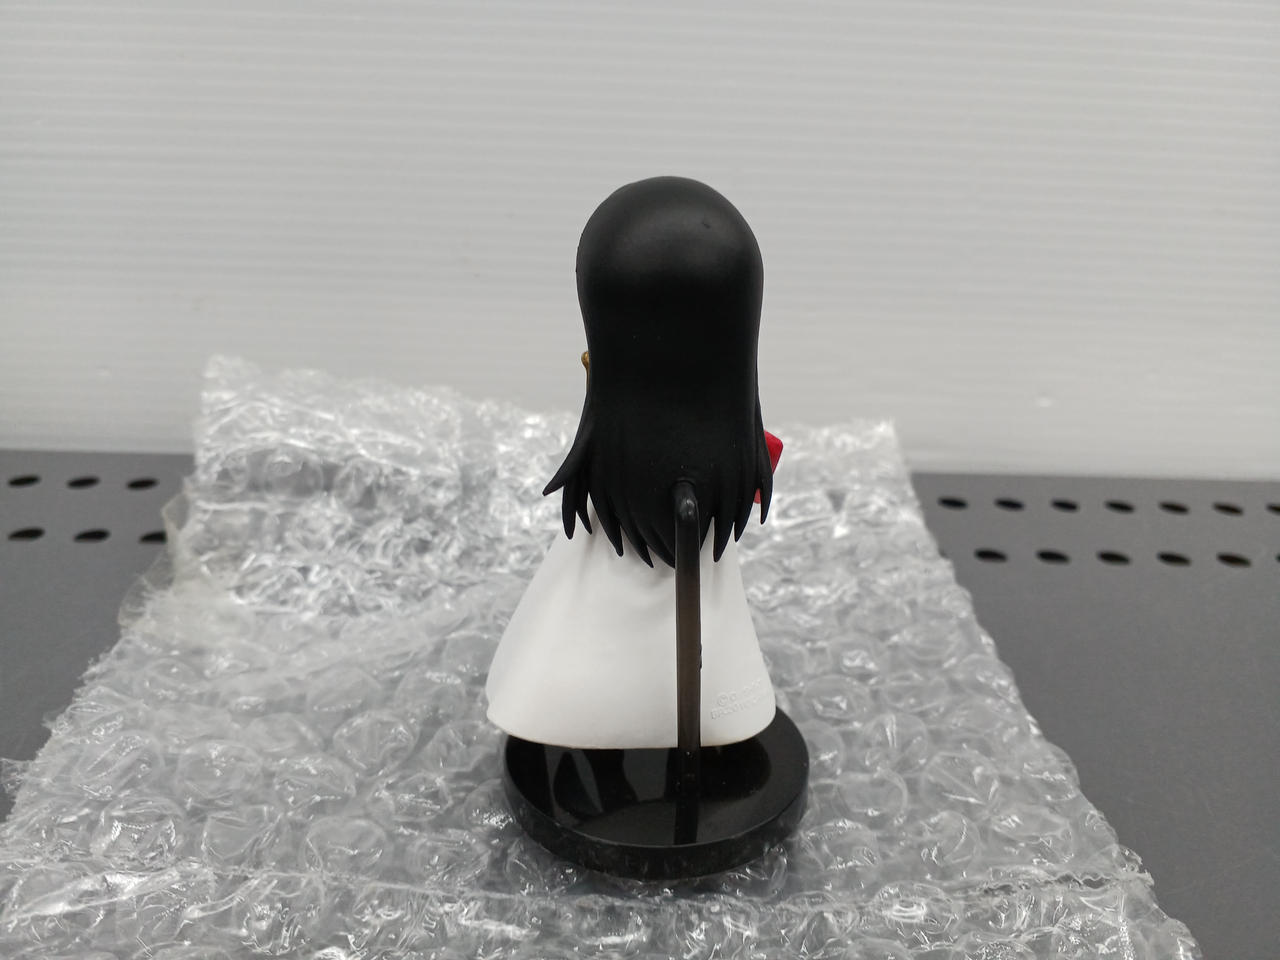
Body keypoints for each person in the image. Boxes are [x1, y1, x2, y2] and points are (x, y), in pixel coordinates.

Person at [485, 177, 780, 750]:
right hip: (633, 549)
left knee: (592, 663)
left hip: (667, 598)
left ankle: (615, 719)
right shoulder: (659, 470)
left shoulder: (686, 477)